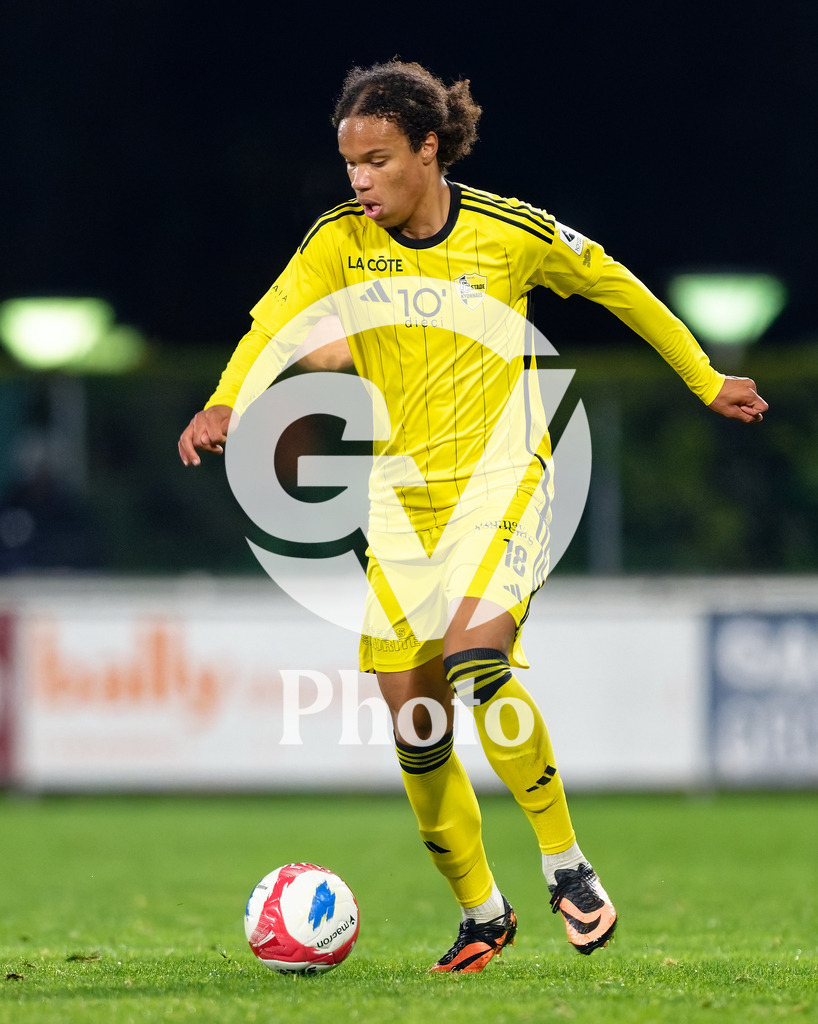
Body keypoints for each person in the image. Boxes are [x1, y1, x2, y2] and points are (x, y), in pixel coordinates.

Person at [178, 60, 768, 973]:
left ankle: (568, 865)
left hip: (507, 486)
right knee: (418, 724)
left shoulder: (508, 233)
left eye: (377, 160)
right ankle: (482, 913)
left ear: (429, 148)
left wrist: (705, 378)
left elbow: (615, 285)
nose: (361, 180)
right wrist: (226, 398)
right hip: (401, 510)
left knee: (475, 657)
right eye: (349, 166)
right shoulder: (337, 242)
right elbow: (272, 324)